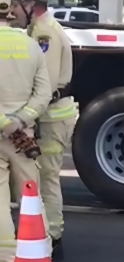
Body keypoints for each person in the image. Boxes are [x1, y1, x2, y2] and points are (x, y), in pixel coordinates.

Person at [11, 0, 77, 260]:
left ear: (29, 4)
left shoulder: (44, 33)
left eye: (15, 6)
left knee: (47, 180)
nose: (12, 14)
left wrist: (21, 118)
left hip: (50, 118)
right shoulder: (40, 28)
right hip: (49, 117)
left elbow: (44, 87)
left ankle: (53, 239)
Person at [0, 0, 52, 261]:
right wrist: (20, 121)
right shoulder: (32, 46)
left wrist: (4, 122)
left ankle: (7, 256)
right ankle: (40, 252)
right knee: (31, 198)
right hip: (24, 139)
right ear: (10, 15)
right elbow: (43, 94)